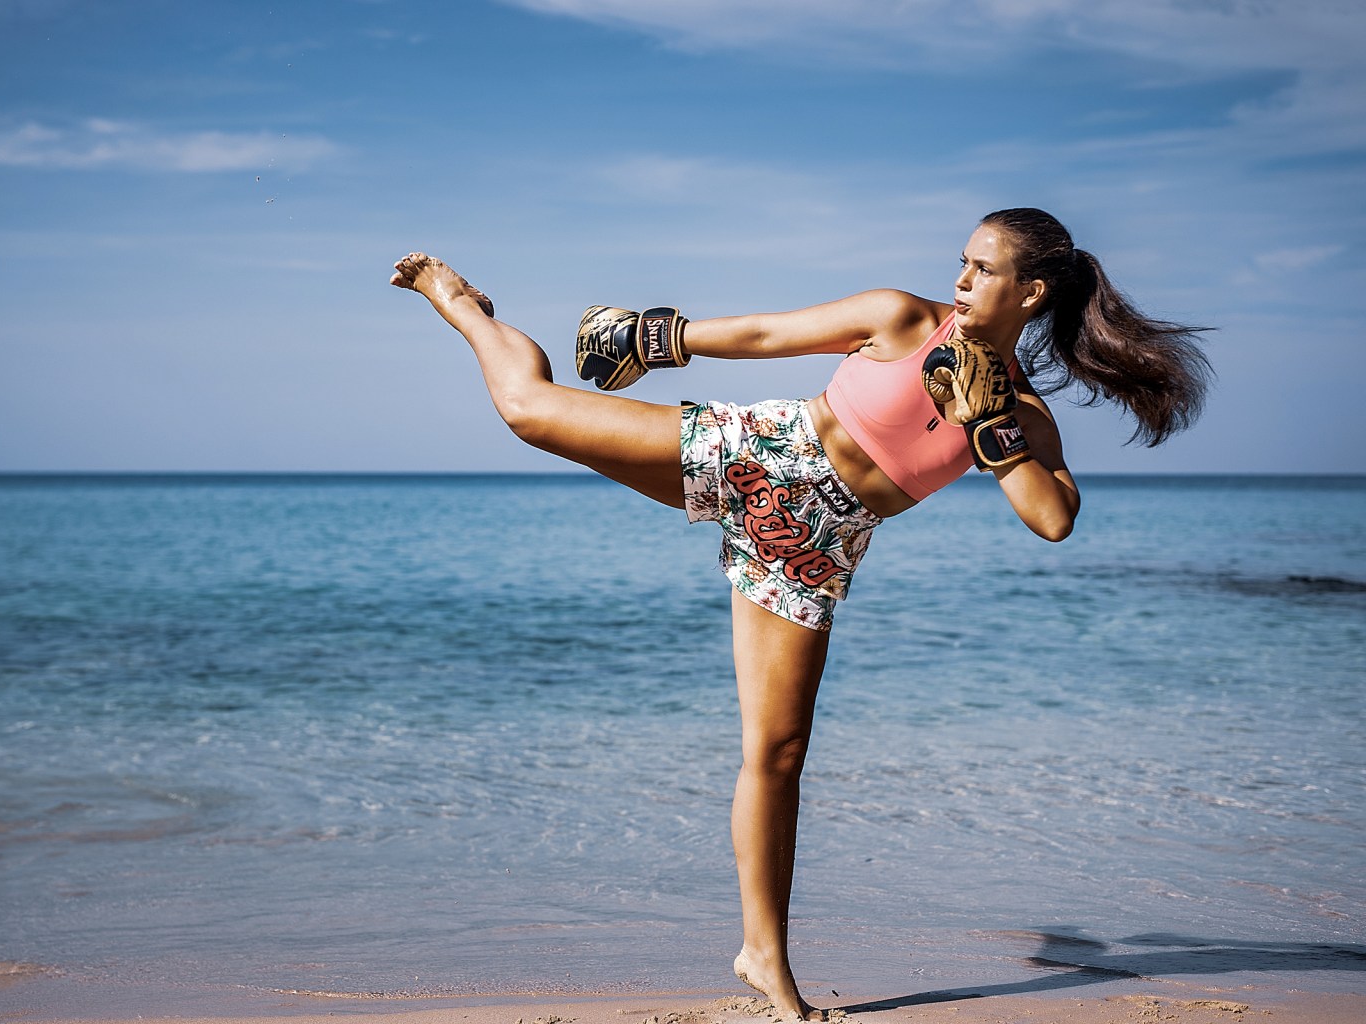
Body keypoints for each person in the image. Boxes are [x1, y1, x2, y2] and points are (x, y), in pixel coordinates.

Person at [389, 208, 1210, 1021]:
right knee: (531, 410)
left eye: (982, 270)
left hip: (813, 549)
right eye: (962, 261)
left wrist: (989, 423)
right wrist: (658, 339)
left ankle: (764, 958)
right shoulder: (903, 317)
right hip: (762, 454)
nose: (960, 280)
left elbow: (1054, 517)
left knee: (777, 754)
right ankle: (463, 305)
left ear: (1030, 292)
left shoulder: (1020, 416)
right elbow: (764, 336)